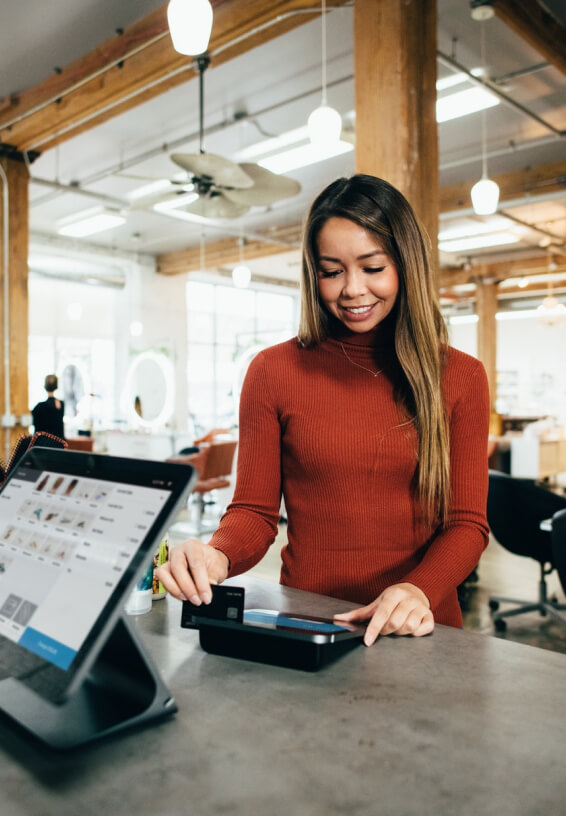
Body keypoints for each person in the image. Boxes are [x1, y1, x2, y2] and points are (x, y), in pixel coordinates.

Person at [157, 174, 490, 646]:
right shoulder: (273, 371)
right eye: (331, 271)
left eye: (373, 267)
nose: (352, 290)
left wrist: (419, 589)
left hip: (419, 631)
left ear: (406, 265)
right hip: (308, 625)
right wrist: (217, 555)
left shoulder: (460, 377)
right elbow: (253, 512)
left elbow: (467, 525)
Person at [31, 374, 65, 440]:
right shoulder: (61, 405)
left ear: (45, 386)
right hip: (58, 445)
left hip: (41, 444)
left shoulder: (39, 407)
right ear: (56, 386)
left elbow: (34, 424)